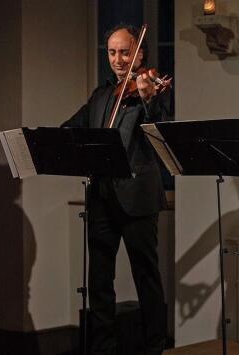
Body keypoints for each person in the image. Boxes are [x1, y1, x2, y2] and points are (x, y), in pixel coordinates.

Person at [61, 24, 169, 355]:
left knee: (146, 277)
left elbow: (160, 126)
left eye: (125, 52)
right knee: (99, 281)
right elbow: (72, 128)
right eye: (112, 52)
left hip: (137, 196)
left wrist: (149, 98)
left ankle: (155, 347)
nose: (119, 59)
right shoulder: (101, 95)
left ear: (140, 54)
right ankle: (102, 348)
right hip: (102, 197)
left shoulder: (150, 89)